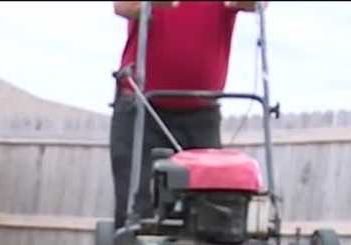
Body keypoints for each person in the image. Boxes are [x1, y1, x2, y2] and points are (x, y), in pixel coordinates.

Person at [110, 1, 264, 229]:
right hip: (142, 109)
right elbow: (122, 6)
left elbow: (257, 4)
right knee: (137, 212)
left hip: (201, 115)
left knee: (210, 209)